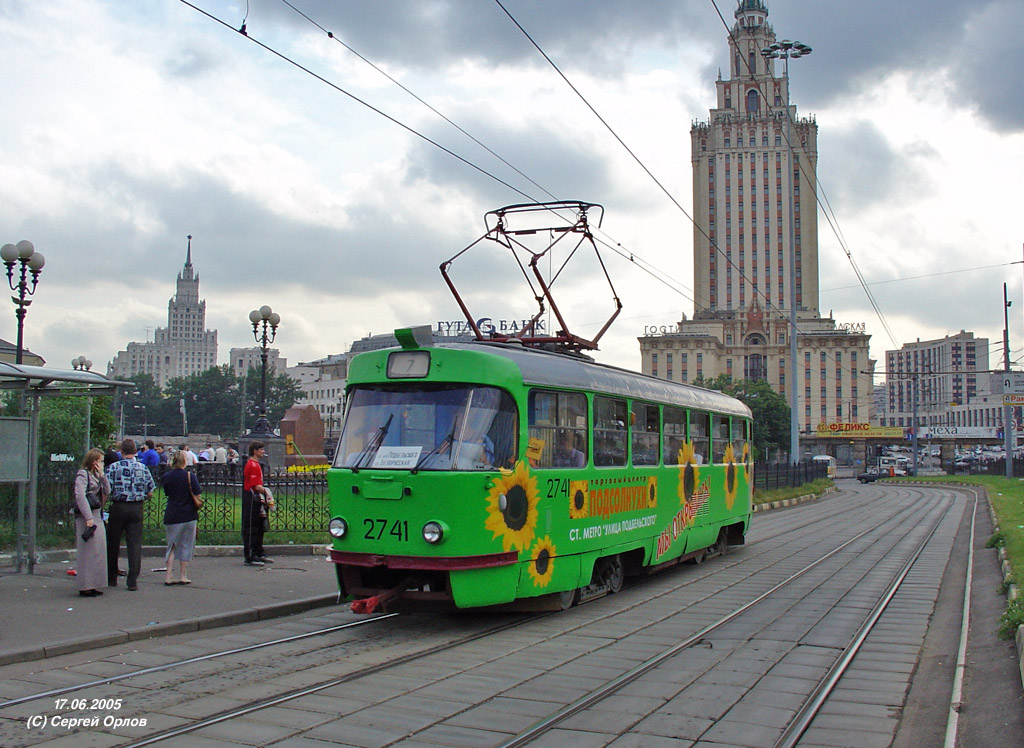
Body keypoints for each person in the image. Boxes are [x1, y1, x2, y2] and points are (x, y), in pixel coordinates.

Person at [105, 438, 156, 591]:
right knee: (134, 544)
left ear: (121, 451)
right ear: (135, 451)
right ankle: (132, 580)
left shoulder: (113, 468)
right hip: (136, 508)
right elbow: (150, 491)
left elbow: (107, 489)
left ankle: (111, 577)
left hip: (118, 507)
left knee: (113, 543)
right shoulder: (142, 467)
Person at [73, 448, 111, 597]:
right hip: (87, 516)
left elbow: (107, 491)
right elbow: (80, 496)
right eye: (101, 461)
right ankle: (85, 585)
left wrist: (102, 476)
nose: (102, 464)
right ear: (94, 461)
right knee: (87, 551)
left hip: (98, 514)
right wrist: (88, 517)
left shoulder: (97, 475)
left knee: (98, 551)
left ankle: (95, 583)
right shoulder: (83, 475)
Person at [161, 450, 201, 585]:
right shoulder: (190, 476)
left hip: (172, 514)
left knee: (171, 545)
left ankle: (168, 575)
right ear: (185, 461)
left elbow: (167, 493)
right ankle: (183, 575)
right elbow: (198, 494)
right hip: (189, 514)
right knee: (186, 545)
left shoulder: (167, 476)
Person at [242, 441, 272, 566]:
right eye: (261, 449)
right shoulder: (252, 465)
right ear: (254, 451)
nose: (263, 451)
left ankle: (259, 552)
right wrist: (267, 492)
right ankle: (250, 555)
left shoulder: (256, 464)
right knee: (252, 527)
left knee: (259, 526)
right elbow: (255, 485)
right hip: (252, 497)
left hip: (256, 497)